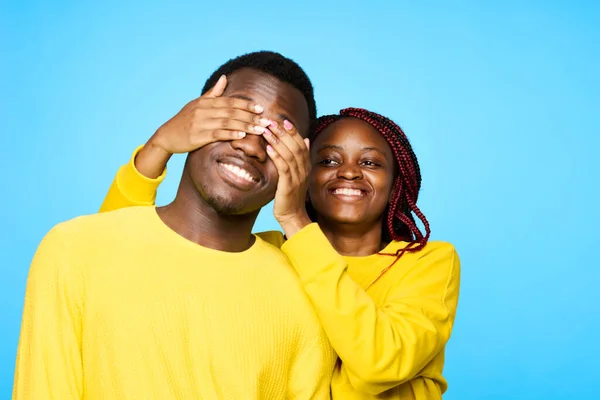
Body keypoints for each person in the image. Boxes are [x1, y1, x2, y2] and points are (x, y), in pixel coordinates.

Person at [13, 51, 337, 400]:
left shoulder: (309, 293)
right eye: (236, 119)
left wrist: (295, 218)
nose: (250, 145)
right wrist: (159, 144)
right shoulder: (72, 248)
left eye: (277, 139)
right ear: (195, 118)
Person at [98, 104, 461, 399]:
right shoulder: (267, 252)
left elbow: (378, 361)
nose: (348, 173)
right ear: (302, 174)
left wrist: (294, 218)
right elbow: (110, 260)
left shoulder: (427, 262)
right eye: (328, 161)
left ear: (398, 181)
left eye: (370, 163)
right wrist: (157, 148)